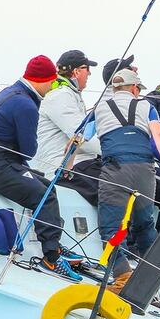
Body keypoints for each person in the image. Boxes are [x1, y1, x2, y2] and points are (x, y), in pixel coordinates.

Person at [0, 55, 83, 281]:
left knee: (48, 186)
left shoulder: (13, 92)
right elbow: (28, 151)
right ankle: (51, 258)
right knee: (43, 196)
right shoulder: (26, 104)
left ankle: (55, 245)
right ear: (42, 80)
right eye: (52, 82)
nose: (52, 87)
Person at [93, 68, 160, 293]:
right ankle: (153, 279)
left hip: (115, 170)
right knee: (144, 225)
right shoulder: (147, 106)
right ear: (135, 88)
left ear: (115, 89)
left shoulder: (99, 107)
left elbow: (80, 136)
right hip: (145, 170)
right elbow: (159, 135)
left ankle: (123, 276)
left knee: (111, 228)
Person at [31, 49, 101, 205]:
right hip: (65, 169)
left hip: (80, 164)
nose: (89, 74)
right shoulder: (60, 96)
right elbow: (82, 137)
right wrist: (113, 151)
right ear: (76, 71)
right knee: (118, 190)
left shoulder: (69, 95)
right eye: (87, 69)